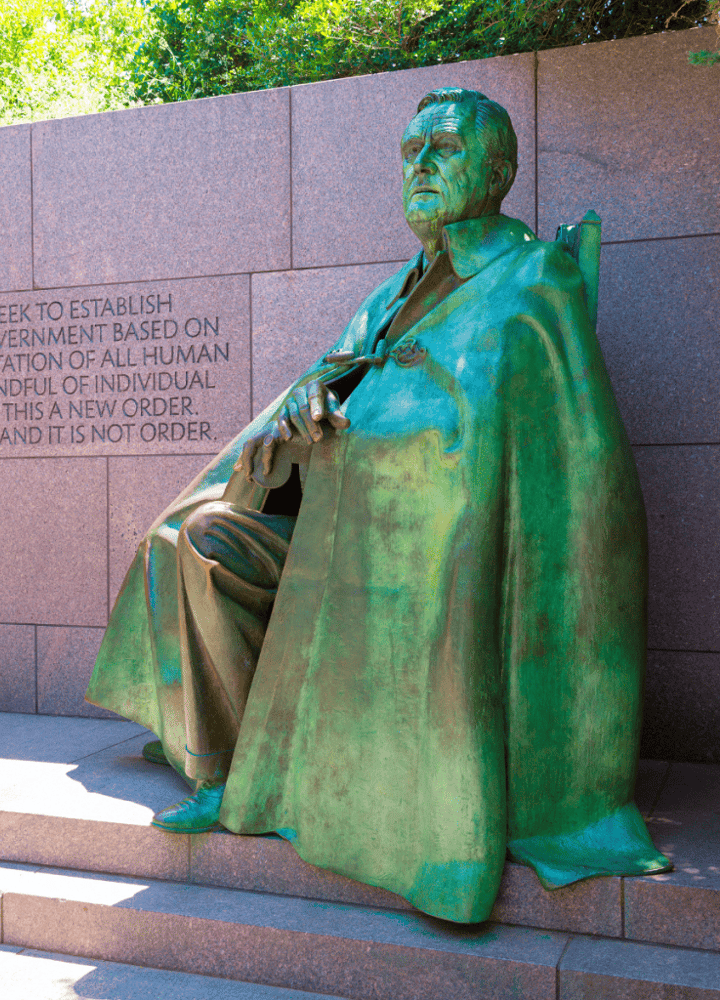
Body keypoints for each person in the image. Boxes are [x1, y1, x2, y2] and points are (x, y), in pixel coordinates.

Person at [86, 87, 671, 924]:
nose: (420, 167)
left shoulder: (536, 279)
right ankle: (221, 767)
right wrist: (299, 415)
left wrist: (386, 438)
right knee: (193, 540)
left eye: (443, 148)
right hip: (332, 527)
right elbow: (331, 380)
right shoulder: (395, 289)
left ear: (499, 170)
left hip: (436, 553)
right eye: (409, 152)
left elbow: (561, 463)